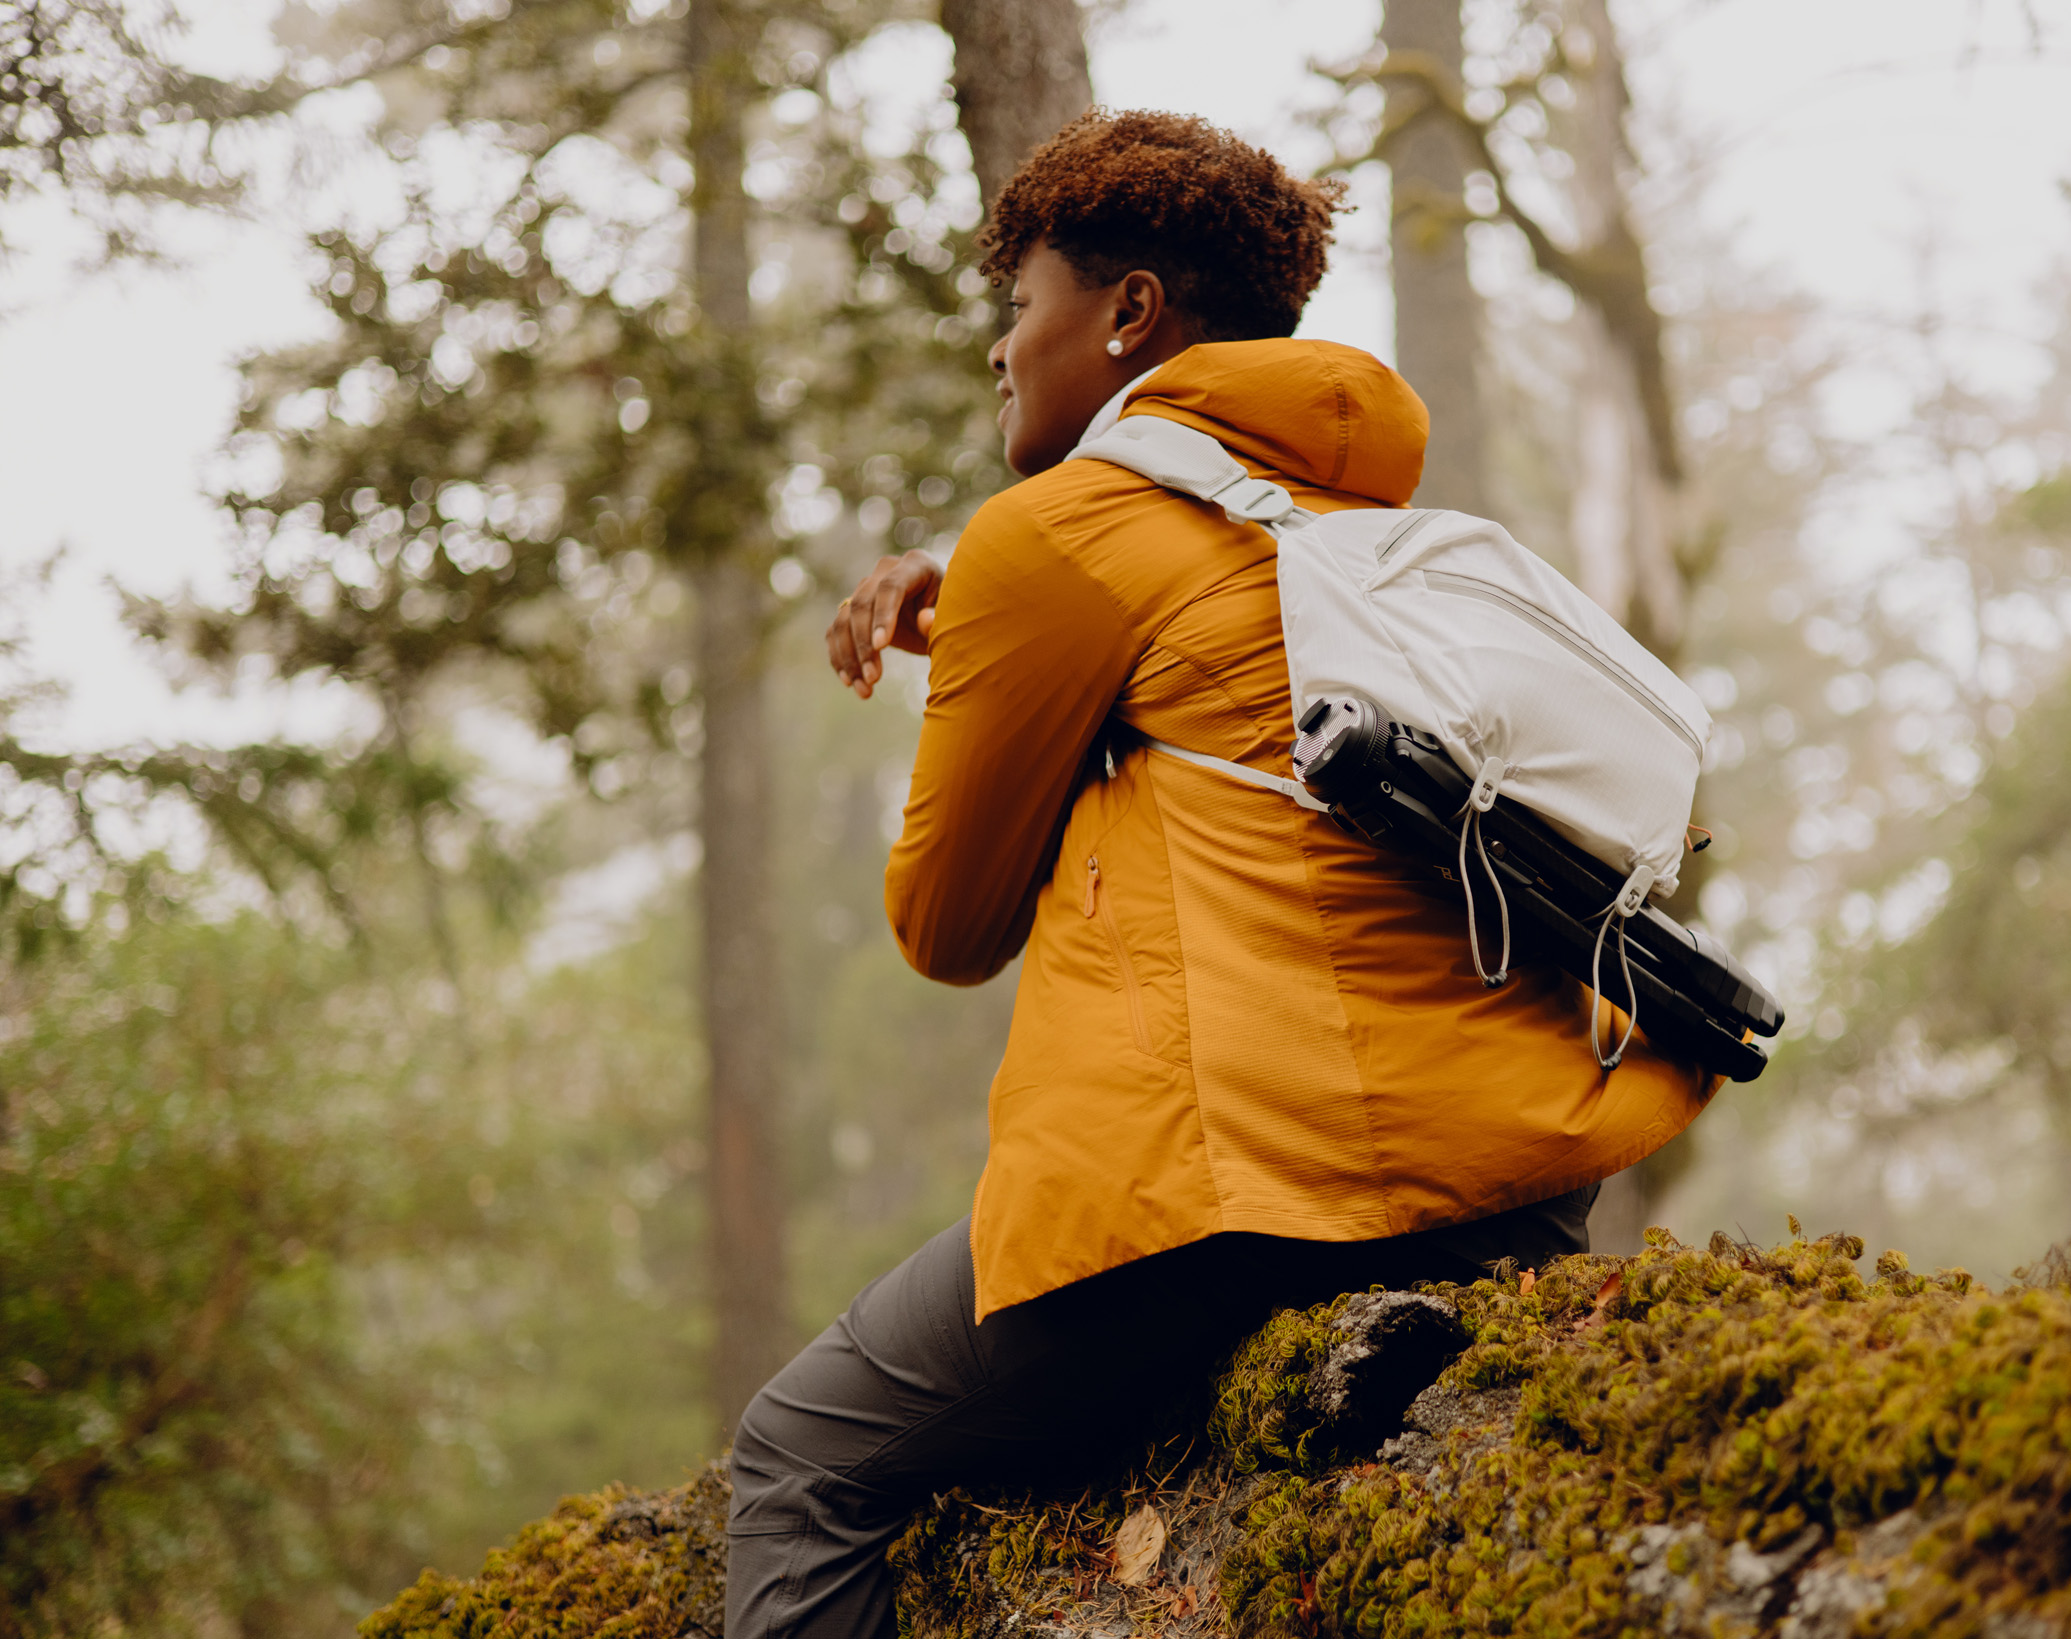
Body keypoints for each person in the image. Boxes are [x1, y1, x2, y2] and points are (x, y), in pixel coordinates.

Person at [725, 109, 1719, 1639]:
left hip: (1257, 1190)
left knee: (797, 1456)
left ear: (1126, 314)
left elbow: (947, 924)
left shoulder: (1054, 534)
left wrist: (982, 627)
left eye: (1021, 305)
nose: (1001, 349)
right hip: (1522, 1177)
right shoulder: (1349, 535)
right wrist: (991, 621)